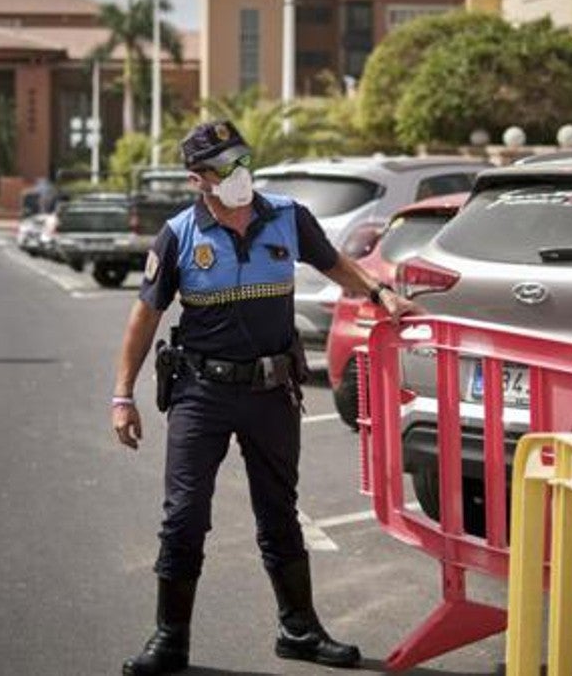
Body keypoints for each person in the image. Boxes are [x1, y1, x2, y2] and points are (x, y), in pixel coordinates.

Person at [112, 120, 413, 675]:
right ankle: (169, 640)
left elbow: (333, 263)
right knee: (184, 517)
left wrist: (378, 292)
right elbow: (145, 314)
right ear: (198, 178)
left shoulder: (288, 216)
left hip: (273, 392)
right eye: (225, 166)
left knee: (279, 512)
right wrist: (122, 395)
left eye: (243, 159)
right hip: (201, 393)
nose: (239, 173)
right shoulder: (180, 233)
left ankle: (299, 629)